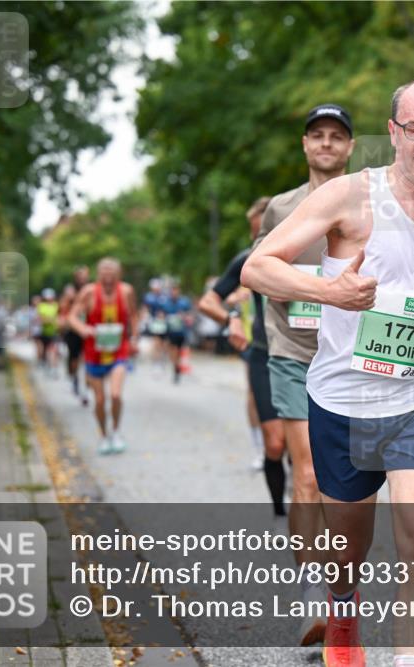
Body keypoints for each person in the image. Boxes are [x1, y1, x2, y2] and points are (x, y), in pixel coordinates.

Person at [243, 79, 414, 667]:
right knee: (348, 548)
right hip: (343, 399)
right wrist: (328, 289)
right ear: (393, 132)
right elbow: (258, 269)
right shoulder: (348, 197)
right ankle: (341, 605)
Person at [250, 103, 356, 645]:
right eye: (317, 135)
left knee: (348, 483)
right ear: (305, 144)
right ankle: (314, 591)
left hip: (351, 356)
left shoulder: (367, 203)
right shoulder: (281, 208)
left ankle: (342, 589)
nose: (326, 144)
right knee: (309, 473)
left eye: (337, 136)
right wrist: (311, 289)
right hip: (292, 349)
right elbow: (262, 273)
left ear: (350, 148)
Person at [199, 196, 289, 518]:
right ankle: (281, 511)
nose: (260, 240)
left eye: (267, 231)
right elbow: (207, 302)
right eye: (256, 234)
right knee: (276, 443)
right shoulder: (248, 259)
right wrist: (230, 318)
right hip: (264, 356)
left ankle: (305, 505)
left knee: (305, 445)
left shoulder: (308, 255)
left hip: (308, 356)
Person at [68, 258, 140, 455]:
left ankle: (116, 432)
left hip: (119, 350)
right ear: (98, 275)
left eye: (112, 273)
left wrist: (134, 338)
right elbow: (72, 316)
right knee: (99, 400)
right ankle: (103, 435)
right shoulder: (89, 292)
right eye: (104, 273)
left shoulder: (126, 291)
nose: (108, 277)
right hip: (94, 353)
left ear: (118, 274)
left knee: (115, 395)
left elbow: (134, 315)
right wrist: (84, 329)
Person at [59, 266, 90, 405]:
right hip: (73, 330)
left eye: (85, 275)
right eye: (80, 276)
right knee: (74, 358)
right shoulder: (70, 290)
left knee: (87, 358)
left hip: (88, 329)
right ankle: (74, 378)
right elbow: (63, 307)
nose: (83, 278)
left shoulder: (91, 289)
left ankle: (86, 387)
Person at [162, 283, 193, 384]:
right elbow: (162, 315)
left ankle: (177, 366)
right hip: (171, 331)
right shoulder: (166, 303)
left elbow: (190, 315)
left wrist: (185, 317)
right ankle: (175, 367)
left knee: (179, 351)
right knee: (173, 350)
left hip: (181, 331)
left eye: (176, 290)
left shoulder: (184, 302)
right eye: (173, 291)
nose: (175, 293)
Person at [36, 288, 60, 374]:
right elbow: (40, 319)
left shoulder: (56, 305)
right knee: (45, 351)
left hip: (54, 333)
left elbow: (59, 319)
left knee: (54, 350)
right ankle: (46, 363)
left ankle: (54, 368)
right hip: (44, 332)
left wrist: (51, 320)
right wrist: (51, 320)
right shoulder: (41, 306)